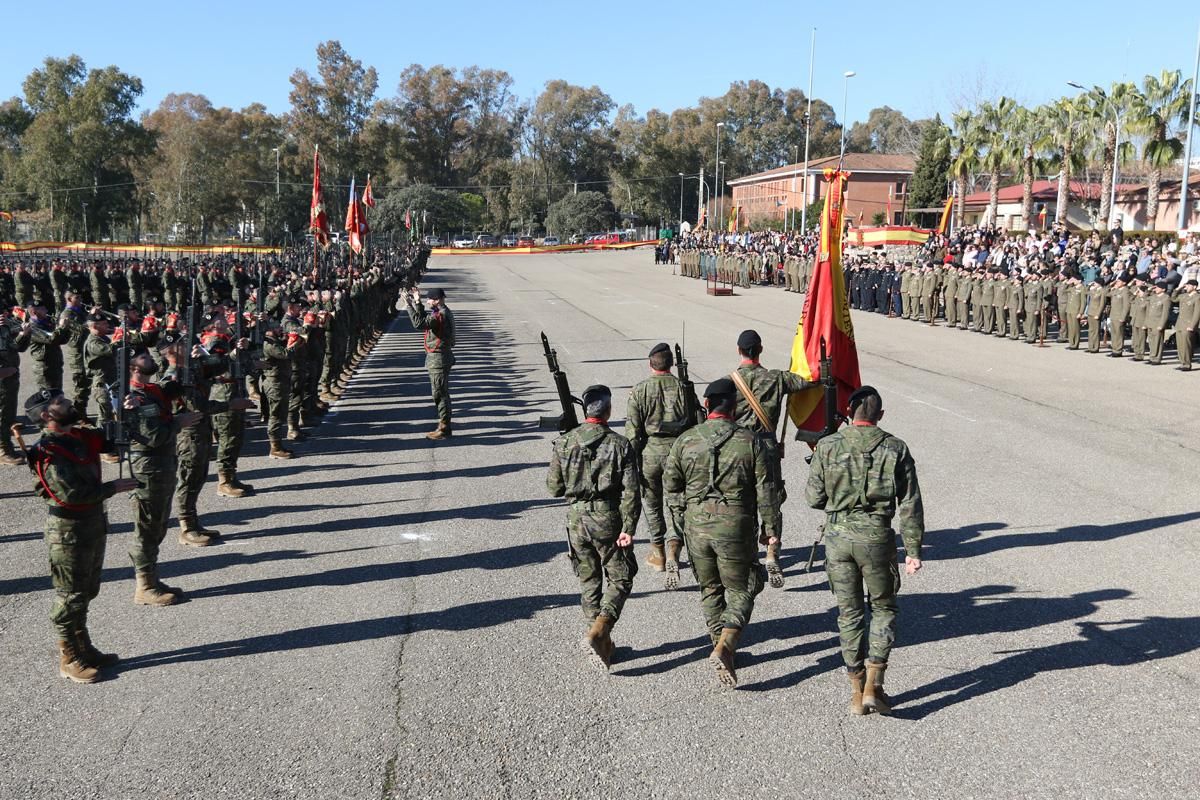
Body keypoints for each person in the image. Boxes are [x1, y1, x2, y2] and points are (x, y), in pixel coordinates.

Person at [806, 386, 924, 715]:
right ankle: (875, 683)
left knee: (850, 614)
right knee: (883, 609)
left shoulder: (828, 446)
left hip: (839, 539)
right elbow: (910, 503)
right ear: (880, 416)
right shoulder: (896, 448)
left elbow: (813, 498)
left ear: (850, 413)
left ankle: (857, 691)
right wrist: (912, 549)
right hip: (877, 539)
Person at [664, 377, 776, 688]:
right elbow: (767, 492)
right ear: (735, 406)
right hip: (735, 526)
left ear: (708, 404)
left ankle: (719, 644)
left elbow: (671, 485)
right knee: (746, 585)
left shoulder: (685, 441)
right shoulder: (750, 441)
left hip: (696, 525)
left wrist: (682, 519)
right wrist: (770, 530)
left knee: (710, 588)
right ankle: (726, 645)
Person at [22, 388, 138, 682]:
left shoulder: (79, 435)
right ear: (48, 415)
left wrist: (127, 410)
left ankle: (83, 646)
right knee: (70, 595)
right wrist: (112, 488)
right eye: (61, 402)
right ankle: (68, 656)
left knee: (88, 590)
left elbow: (112, 440)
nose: (69, 402)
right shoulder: (48, 451)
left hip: (92, 522)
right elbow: (70, 494)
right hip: (68, 530)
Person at [546, 384, 640, 671]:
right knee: (622, 577)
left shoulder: (564, 443)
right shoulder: (620, 444)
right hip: (607, 518)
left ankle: (599, 638)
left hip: (576, 520)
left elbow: (553, 488)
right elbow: (632, 491)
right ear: (609, 410)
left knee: (589, 582)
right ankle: (601, 630)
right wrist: (629, 526)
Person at [729, 329, 817, 587]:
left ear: (738, 350)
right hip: (767, 449)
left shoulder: (729, 382)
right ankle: (771, 552)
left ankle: (747, 556)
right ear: (761, 350)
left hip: (739, 451)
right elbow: (809, 380)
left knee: (743, 500)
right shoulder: (777, 379)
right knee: (771, 500)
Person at [126, 347, 200, 604]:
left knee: (157, 525)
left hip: (161, 464)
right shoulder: (135, 397)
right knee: (146, 527)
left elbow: (170, 386)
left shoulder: (150, 390)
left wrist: (175, 362)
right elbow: (153, 436)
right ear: (133, 366)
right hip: (148, 466)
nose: (150, 358)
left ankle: (152, 579)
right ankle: (144, 586)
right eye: (144, 357)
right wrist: (180, 422)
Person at [625, 342, 701, 588]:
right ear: (670, 365)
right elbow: (698, 422)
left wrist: (630, 463)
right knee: (677, 503)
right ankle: (674, 547)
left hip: (650, 453)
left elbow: (633, 432)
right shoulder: (684, 389)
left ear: (651, 364)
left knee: (653, 504)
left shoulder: (640, 390)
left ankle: (657, 552)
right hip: (679, 453)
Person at [405, 287, 456, 440]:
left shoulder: (440, 315)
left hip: (439, 359)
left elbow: (419, 324)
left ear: (438, 300)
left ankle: (444, 427)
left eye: (430, 299)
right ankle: (444, 425)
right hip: (439, 357)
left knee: (439, 394)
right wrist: (416, 302)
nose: (428, 302)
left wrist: (411, 304)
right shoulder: (441, 312)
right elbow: (425, 322)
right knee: (441, 392)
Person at [1175, 279, 1199, 371]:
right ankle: (1182, 363)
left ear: (1194, 287)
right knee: (1180, 345)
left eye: (1188, 285)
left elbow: (1197, 313)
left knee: (1186, 345)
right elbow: (1173, 298)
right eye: (1186, 285)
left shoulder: (1197, 297)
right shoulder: (1184, 296)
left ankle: (1187, 364)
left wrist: (1192, 326)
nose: (1186, 287)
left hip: (1188, 324)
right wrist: (1178, 288)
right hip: (1180, 324)